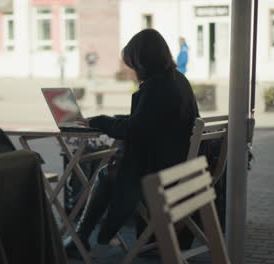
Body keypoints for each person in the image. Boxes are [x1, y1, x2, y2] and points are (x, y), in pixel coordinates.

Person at [65, 29, 200, 258]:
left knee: (107, 174)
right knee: (112, 171)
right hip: (181, 165)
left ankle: (82, 239)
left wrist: (100, 121)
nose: (133, 71)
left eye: (133, 64)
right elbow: (146, 121)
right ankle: (87, 238)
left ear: (143, 61)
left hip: (162, 171)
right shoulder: (177, 80)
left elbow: (133, 130)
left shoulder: (156, 87)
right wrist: (106, 120)